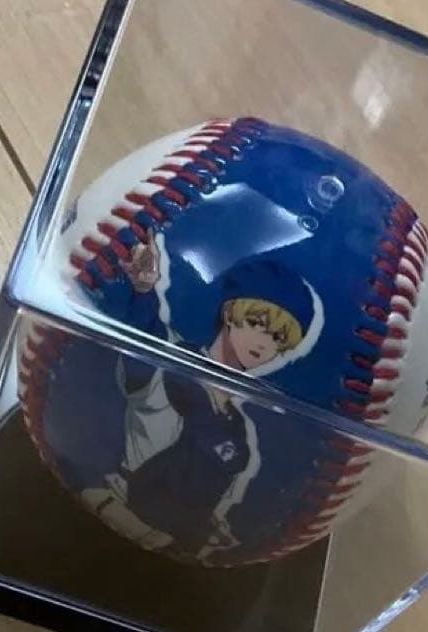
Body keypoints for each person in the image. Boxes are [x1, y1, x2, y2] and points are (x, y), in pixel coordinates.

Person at [79, 232, 317, 560]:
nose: (263, 342)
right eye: (256, 322)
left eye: (278, 337)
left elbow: (218, 501)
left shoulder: (237, 428)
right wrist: (144, 291)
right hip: (120, 511)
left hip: (178, 548)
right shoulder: (172, 364)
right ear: (230, 314)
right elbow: (146, 341)